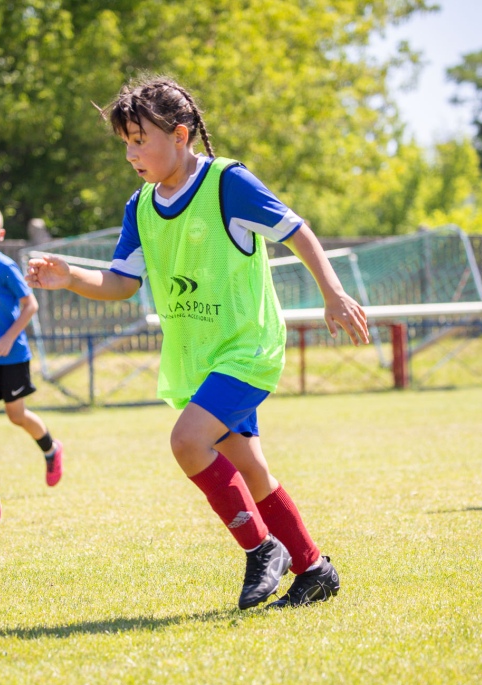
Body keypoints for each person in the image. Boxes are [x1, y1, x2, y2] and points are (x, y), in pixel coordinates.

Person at [27, 76, 370, 608]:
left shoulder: (226, 183)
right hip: (198, 357)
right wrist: (69, 278)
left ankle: (262, 549)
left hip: (246, 346)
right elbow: (122, 283)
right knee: (251, 469)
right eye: (125, 142)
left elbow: (296, 230)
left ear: (181, 135)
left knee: (187, 442)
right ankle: (313, 569)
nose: (131, 153)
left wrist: (334, 293)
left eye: (141, 139)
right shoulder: (140, 207)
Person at [0, 204, 63, 485]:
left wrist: (9, 338)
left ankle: (51, 448)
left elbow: (29, 305)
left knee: (16, 415)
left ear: (1, 233)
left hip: (12, 356)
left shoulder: (5, 267)